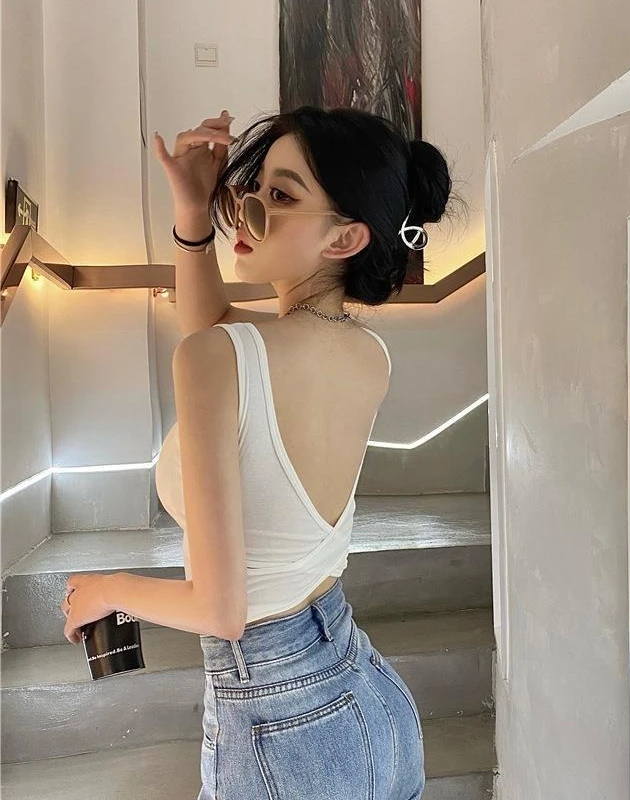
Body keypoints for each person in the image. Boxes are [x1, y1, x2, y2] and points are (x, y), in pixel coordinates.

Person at [148, 105, 466, 799]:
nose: (249, 211)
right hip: (366, 695)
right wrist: (193, 213)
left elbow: (219, 610)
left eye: (281, 196)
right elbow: (218, 333)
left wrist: (96, 589)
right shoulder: (366, 352)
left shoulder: (221, 356)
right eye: (254, 188)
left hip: (277, 722)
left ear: (345, 237)